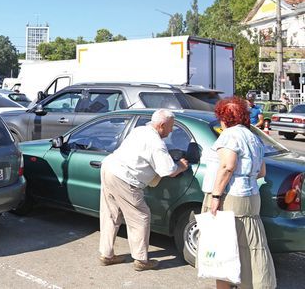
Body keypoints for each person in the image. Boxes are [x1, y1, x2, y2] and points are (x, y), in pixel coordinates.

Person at [200, 96, 276, 289]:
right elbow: (262, 171)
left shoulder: (230, 135)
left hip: (231, 196)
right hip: (251, 196)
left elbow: (227, 166)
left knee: (224, 248)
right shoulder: (253, 137)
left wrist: (216, 196)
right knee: (249, 248)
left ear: (224, 117)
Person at [99, 109, 189, 271]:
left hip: (110, 167)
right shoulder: (156, 143)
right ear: (161, 125)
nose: (171, 131)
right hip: (125, 177)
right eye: (170, 127)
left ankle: (107, 255)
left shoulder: (140, 130)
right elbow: (168, 170)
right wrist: (181, 167)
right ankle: (141, 260)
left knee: (110, 214)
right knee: (140, 217)